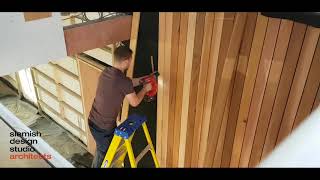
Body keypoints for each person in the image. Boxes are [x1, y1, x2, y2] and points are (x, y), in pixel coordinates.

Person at [88, 45, 152, 168]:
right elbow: (135, 102)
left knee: (102, 149)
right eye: (130, 60)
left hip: (93, 121)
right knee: (105, 155)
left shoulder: (107, 72)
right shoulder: (123, 81)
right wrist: (145, 89)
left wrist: (143, 80)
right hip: (103, 128)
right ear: (126, 61)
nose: (130, 62)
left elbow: (128, 83)